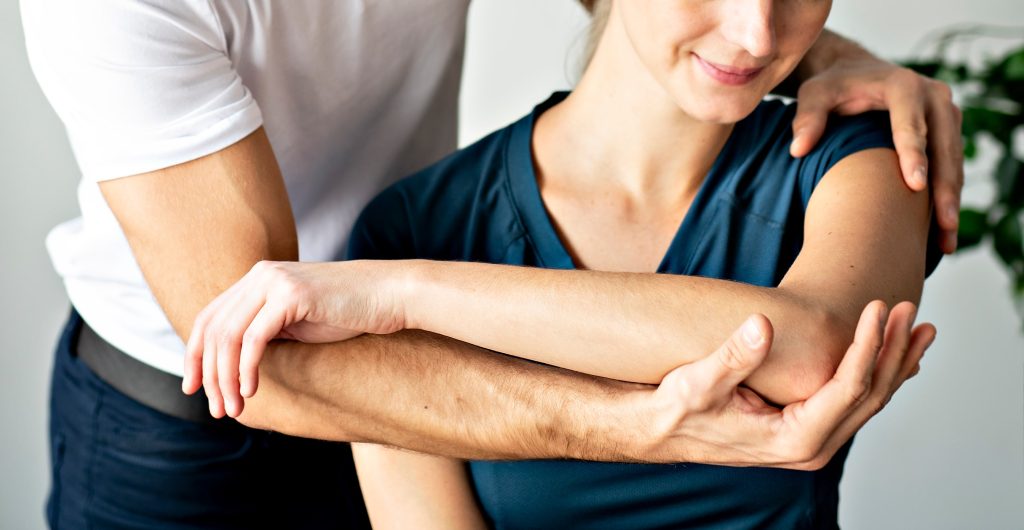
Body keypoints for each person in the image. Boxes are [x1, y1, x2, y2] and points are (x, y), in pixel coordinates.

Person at [22, 0, 958, 528]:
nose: (758, 26)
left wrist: (833, 58)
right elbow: (259, 352)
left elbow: (810, 343)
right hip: (184, 412)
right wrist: (645, 424)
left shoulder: (841, 153)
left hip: (388, 298)